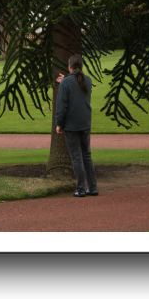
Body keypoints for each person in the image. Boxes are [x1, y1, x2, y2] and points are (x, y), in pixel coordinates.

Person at [54, 53, 99, 197]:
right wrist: (65, 81)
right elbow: (76, 87)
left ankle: (80, 188)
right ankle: (92, 188)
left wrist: (59, 123)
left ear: (70, 66)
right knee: (87, 155)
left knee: (76, 157)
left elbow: (62, 106)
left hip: (71, 125)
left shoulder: (67, 82)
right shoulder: (88, 80)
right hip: (85, 122)